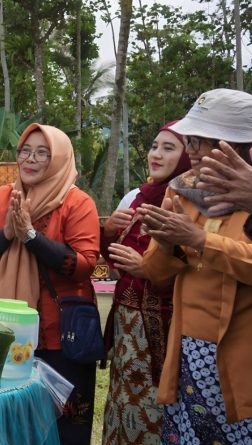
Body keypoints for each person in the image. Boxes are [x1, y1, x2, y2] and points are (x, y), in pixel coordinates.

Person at [0, 123, 100, 444]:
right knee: (9, 424)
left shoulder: (76, 203)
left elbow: (83, 266)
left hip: (62, 339)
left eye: (42, 152)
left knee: (66, 427)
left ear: (59, 159)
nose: (31, 159)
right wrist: (9, 234)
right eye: (25, 150)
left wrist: (31, 237)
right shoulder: (1, 199)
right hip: (7, 335)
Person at [138, 88, 252, 444]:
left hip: (239, 360)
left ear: (241, 146)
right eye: (191, 139)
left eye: (204, 140)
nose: (193, 150)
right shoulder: (183, 192)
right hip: (189, 356)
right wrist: (170, 240)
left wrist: (200, 240)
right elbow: (156, 273)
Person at [100, 122, 191, 445]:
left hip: (164, 325)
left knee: (155, 406)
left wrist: (148, 268)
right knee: (123, 400)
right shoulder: (137, 196)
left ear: (186, 157)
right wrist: (109, 231)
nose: (156, 154)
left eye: (169, 148)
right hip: (127, 321)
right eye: (155, 146)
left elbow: (195, 264)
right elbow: (113, 259)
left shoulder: (190, 201)